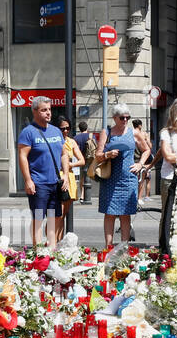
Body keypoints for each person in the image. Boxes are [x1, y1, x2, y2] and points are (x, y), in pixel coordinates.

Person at [95, 103, 149, 249]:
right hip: (110, 178)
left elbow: (146, 150)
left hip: (128, 178)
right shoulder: (106, 132)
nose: (125, 120)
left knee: (125, 214)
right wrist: (107, 154)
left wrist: (140, 164)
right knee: (110, 213)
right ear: (114, 118)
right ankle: (109, 247)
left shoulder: (134, 133)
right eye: (122, 118)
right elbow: (98, 155)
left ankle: (124, 247)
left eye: (127, 117)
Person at [17, 96, 68, 249]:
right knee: (38, 218)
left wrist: (65, 174)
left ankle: (51, 249)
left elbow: (64, 154)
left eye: (49, 110)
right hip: (38, 182)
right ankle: (38, 249)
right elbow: (22, 156)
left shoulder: (56, 131)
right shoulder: (28, 132)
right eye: (44, 110)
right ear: (35, 111)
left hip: (55, 182)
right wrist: (28, 180)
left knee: (53, 217)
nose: (48, 113)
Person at [57, 116, 84, 239]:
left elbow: (82, 160)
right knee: (58, 214)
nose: (65, 131)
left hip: (70, 177)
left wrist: (70, 164)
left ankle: (59, 241)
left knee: (64, 214)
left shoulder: (71, 142)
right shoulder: (54, 141)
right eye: (62, 129)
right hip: (59, 177)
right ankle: (52, 242)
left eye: (68, 128)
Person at [74, 121, 92, 203]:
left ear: (79, 128)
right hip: (89, 158)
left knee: (82, 177)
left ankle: (81, 195)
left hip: (81, 159)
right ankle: (85, 195)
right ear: (87, 128)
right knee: (87, 177)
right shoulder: (90, 136)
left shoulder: (76, 138)